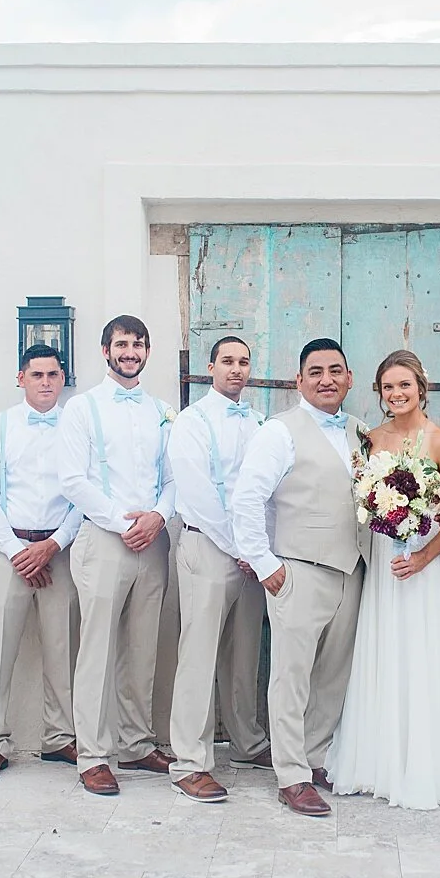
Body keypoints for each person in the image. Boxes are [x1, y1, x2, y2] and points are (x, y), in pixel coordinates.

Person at [324, 349, 440, 809]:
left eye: (404, 385)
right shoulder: (371, 440)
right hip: (384, 565)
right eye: (388, 387)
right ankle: (378, 763)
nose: (396, 394)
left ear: (421, 388)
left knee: (421, 656)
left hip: (425, 569)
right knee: (384, 651)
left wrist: (425, 556)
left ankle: (422, 767)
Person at [230, 338, 367, 817]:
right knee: (291, 677)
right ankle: (291, 775)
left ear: (349, 378)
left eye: (335, 371)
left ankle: (316, 758)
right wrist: (265, 564)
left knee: (333, 674)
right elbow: (248, 498)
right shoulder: (279, 431)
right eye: (316, 372)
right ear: (299, 380)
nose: (327, 380)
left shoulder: (361, 432)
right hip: (299, 570)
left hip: (352, 569)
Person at [57, 315, 177, 795]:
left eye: (138, 344)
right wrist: (123, 523)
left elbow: (175, 477)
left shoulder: (162, 411)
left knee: (143, 647)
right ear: (105, 350)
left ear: (148, 351)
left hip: (153, 539)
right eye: (122, 344)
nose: (130, 352)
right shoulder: (81, 408)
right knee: (97, 649)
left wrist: (158, 517)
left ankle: (136, 742)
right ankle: (93, 754)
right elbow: (72, 479)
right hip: (105, 539)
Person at [0, 344, 84, 781]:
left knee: (63, 647)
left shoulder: (76, 428)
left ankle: (60, 737)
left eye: (53, 375)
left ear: (62, 379)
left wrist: (53, 545)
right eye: (37, 375)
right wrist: (18, 552)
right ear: (21, 379)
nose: (46, 382)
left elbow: (84, 493)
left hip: (60, 551)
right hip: (7, 552)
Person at [165, 336, 273, 803]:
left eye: (243, 362)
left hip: (251, 555)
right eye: (227, 361)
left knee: (244, 652)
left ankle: (247, 742)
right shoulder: (192, 421)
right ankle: (190, 762)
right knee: (198, 654)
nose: (236, 369)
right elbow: (198, 493)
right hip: (208, 545)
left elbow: (268, 492)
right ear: (211, 367)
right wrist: (241, 547)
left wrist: (258, 550)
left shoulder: (260, 423)